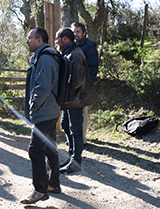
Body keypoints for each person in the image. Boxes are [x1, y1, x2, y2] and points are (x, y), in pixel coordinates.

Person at [21, 27, 61, 204]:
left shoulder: (45, 58)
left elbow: (43, 86)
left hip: (44, 111)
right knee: (50, 147)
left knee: (35, 150)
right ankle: (53, 184)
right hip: (50, 109)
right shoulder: (44, 56)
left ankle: (40, 190)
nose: (27, 41)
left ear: (39, 40)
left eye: (30, 38)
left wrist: (34, 105)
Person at [55, 28, 93, 174]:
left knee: (76, 130)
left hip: (76, 99)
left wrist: (66, 91)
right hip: (69, 99)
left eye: (58, 38)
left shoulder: (75, 54)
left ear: (65, 39)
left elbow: (77, 80)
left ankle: (76, 161)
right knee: (65, 125)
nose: (56, 41)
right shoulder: (68, 52)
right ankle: (71, 157)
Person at [71, 22, 99, 144]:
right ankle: (74, 138)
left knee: (82, 113)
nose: (75, 34)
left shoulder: (89, 47)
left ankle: (82, 139)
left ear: (84, 33)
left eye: (77, 32)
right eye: (73, 32)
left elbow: (93, 68)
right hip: (73, 86)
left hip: (84, 86)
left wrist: (87, 85)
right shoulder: (72, 46)